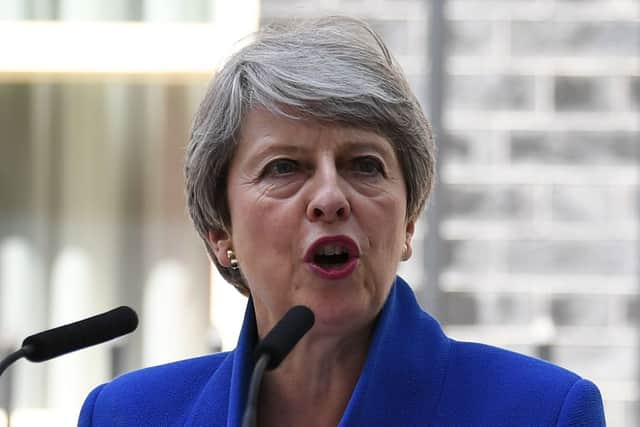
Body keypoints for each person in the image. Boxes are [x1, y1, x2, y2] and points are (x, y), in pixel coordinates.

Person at [78, 16, 605, 426]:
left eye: (364, 165)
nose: (330, 198)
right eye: (284, 168)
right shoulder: (126, 416)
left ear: (408, 223)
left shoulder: (543, 413)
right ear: (221, 233)